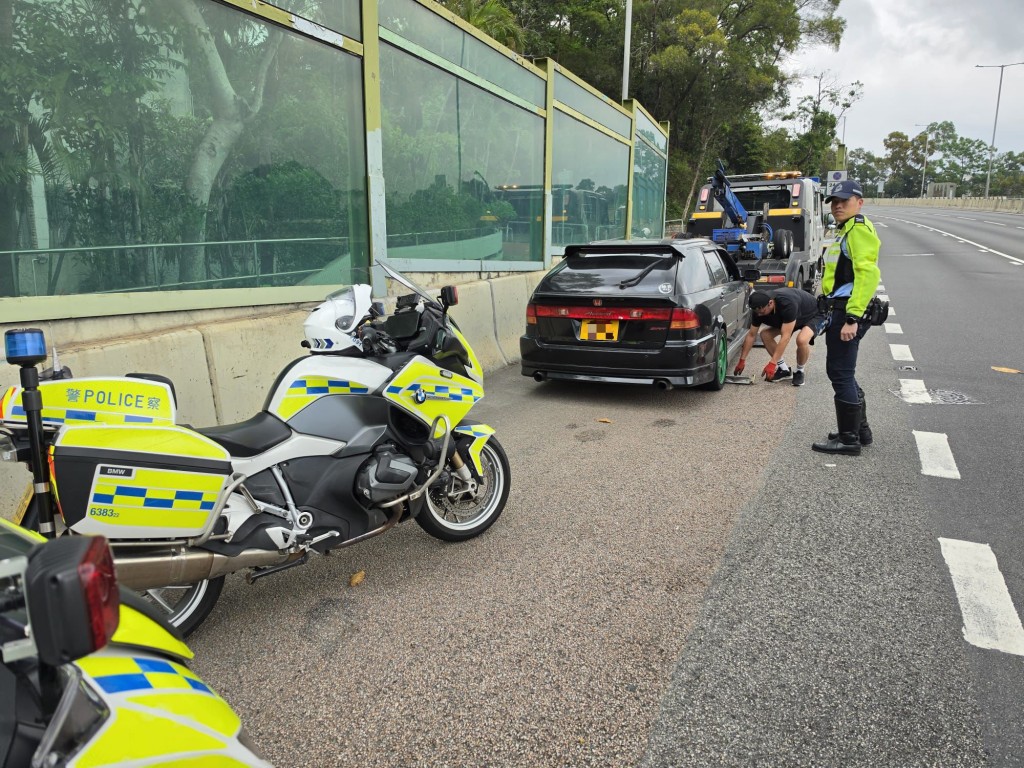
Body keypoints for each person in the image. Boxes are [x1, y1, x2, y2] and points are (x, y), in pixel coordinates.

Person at [811, 179, 881, 456]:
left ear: (859, 202)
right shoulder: (847, 229)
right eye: (834, 202)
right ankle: (858, 430)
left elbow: (867, 274)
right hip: (840, 308)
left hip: (847, 310)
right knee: (842, 372)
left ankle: (849, 439)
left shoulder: (858, 231)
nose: (838, 206)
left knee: (840, 372)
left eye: (844, 201)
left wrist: (853, 317)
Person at [734, 288, 819, 386]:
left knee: (801, 339)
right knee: (765, 334)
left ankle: (800, 371)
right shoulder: (758, 310)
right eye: (757, 312)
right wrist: (742, 360)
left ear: (770, 303)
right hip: (791, 319)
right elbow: (751, 335)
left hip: (812, 314)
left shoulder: (787, 304)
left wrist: (772, 363)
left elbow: (785, 337)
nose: (759, 315)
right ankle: (784, 370)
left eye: (762, 312)